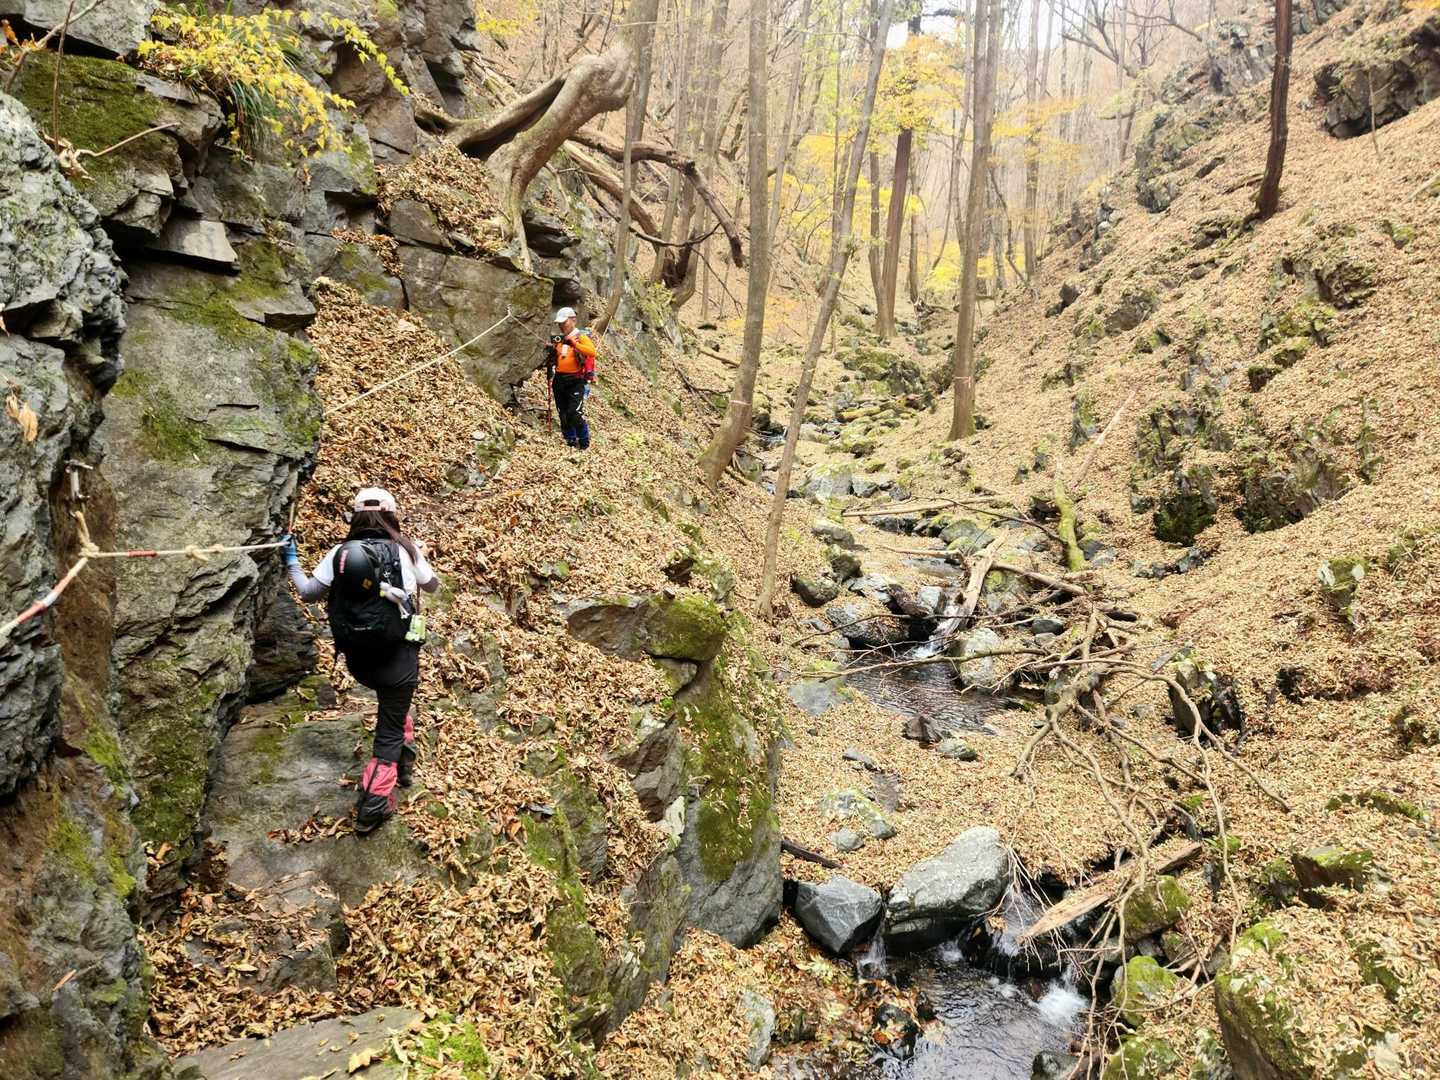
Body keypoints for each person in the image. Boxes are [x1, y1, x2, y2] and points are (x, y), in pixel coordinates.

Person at [283, 487, 440, 833]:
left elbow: (308, 593)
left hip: (358, 660)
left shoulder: (340, 553)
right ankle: (373, 806)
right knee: (390, 728)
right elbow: (433, 586)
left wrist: (291, 559)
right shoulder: (405, 549)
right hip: (398, 660)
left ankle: (404, 766)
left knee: (394, 709)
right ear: (392, 515)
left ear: (354, 517)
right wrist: (418, 558)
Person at [545, 306, 597, 450]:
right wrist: (551, 348)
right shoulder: (559, 339)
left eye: (564, 322)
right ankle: (570, 441)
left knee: (574, 413)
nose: (561, 326)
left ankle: (584, 442)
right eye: (559, 324)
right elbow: (558, 356)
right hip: (559, 380)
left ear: (573, 320)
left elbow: (592, 352)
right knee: (563, 413)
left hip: (576, 380)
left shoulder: (581, 337)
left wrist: (574, 343)